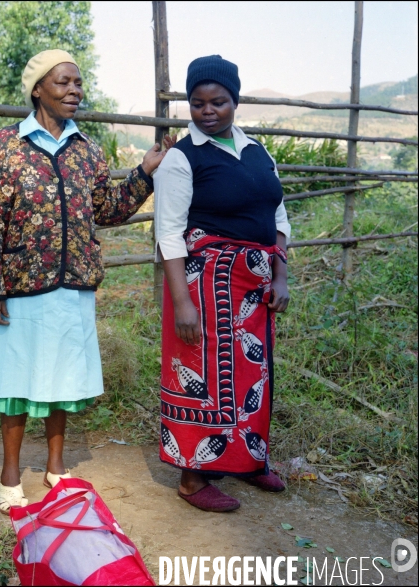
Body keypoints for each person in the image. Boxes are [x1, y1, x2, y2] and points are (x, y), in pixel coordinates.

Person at [0, 49, 173, 513]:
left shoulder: (87, 149)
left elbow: (108, 209)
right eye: (63, 82)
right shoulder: (6, 146)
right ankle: (9, 474)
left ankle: (57, 467)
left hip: (73, 281)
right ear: (38, 88)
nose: (74, 90)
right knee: (16, 379)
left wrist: (144, 173)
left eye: (78, 83)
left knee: (60, 376)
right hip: (23, 282)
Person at [154, 54, 291, 512]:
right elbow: (168, 231)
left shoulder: (257, 152)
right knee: (206, 377)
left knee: (253, 373)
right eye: (197, 103)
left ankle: (250, 461)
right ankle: (194, 478)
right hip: (204, 284)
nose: (207, 111)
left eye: (218, 102)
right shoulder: (182, 157)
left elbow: (276, 213)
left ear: (236, 101)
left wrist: (281, 275)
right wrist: (182, 304)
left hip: (254, 285)